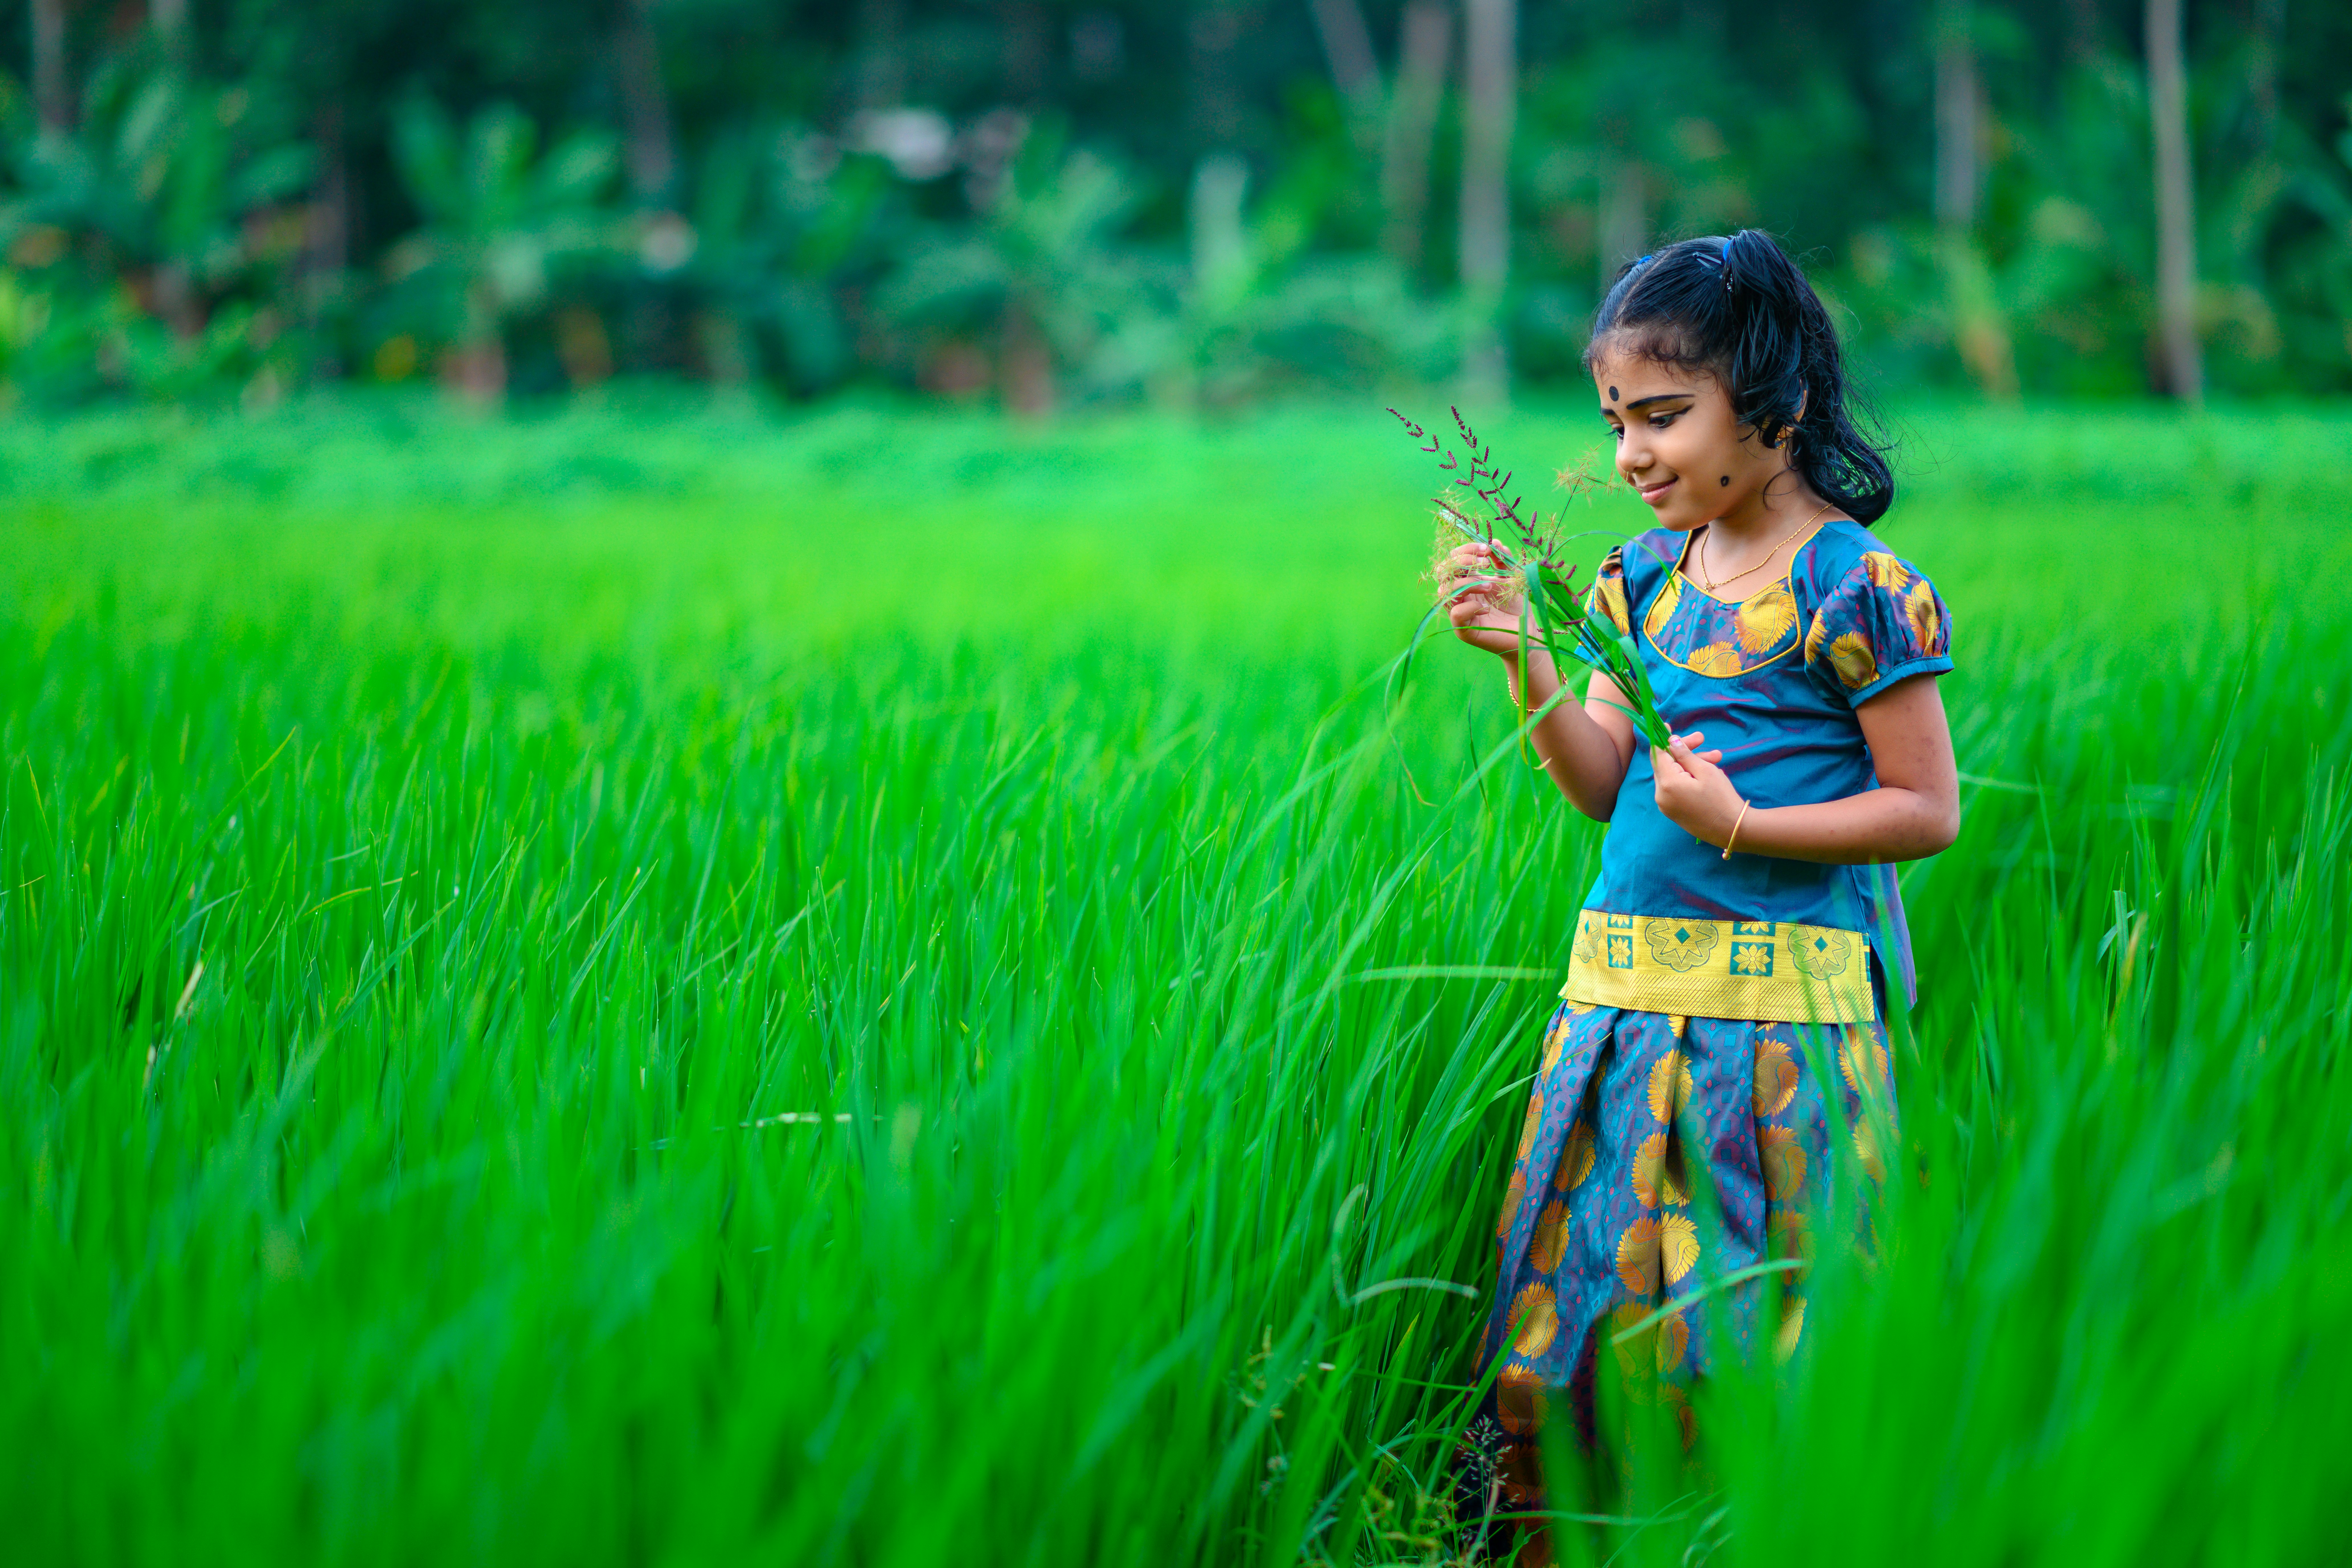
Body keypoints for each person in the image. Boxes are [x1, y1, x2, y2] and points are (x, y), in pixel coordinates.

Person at [1442, 230, 1959, 1557]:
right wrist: (1526, 660)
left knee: (1763, 1310)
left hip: (1780, 1028)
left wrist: (1746, 821)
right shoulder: (1641, 579)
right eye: (1618, 419)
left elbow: (1925, 808)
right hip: (1618, 1008)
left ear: (1775, 404)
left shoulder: (1857, 587)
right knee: (1579, 1299)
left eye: (1666, 416)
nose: (1632, 453)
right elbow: (1600, 776)